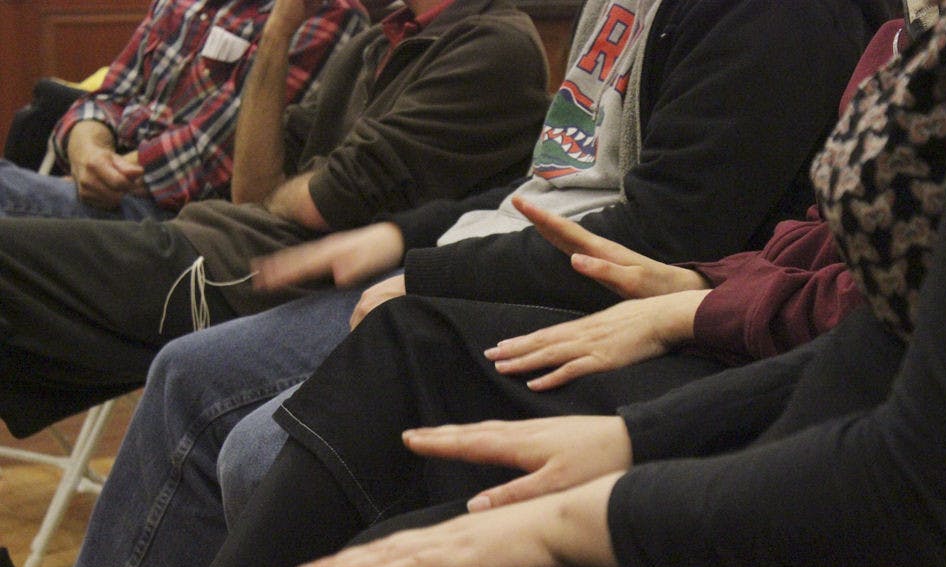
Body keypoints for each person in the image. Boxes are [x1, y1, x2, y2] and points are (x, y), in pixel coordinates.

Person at [175, 0, 946, 567]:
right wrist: (643, 430)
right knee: (320, 385)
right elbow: (871, 311)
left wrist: (596, 505)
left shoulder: (779, 20)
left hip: (908, 561)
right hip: (798, 405)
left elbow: (931, 482)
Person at [0, 0, 551, 437]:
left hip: (270, 276)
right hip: (221, 242)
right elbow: (252, 189)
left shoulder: (492, 44)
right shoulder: (374, 41)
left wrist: (289, 196)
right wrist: (278, 31)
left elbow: (324, 198)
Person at [0, 0, 367, 221]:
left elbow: (213, 157)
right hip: (102, 184)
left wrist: (107, 173)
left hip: (183, 219)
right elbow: (108, 95)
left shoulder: (323, 13)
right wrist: (88, 153)